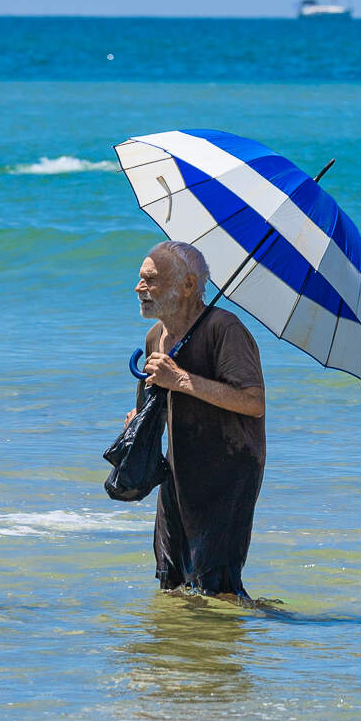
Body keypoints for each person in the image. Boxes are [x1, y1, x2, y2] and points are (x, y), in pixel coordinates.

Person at [131, 241, 266, 603]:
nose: (139, 288)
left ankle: (253, 626)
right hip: (178, 469)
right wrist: (137, 422)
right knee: (171, 580)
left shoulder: (225, 329)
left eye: (150, 279)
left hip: (229, 470)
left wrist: (180, 380)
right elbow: (155, 403)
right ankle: (182, 640)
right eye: (141, 278)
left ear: (188, 285)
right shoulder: (155, 336)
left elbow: (253, 402)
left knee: (217, 585)